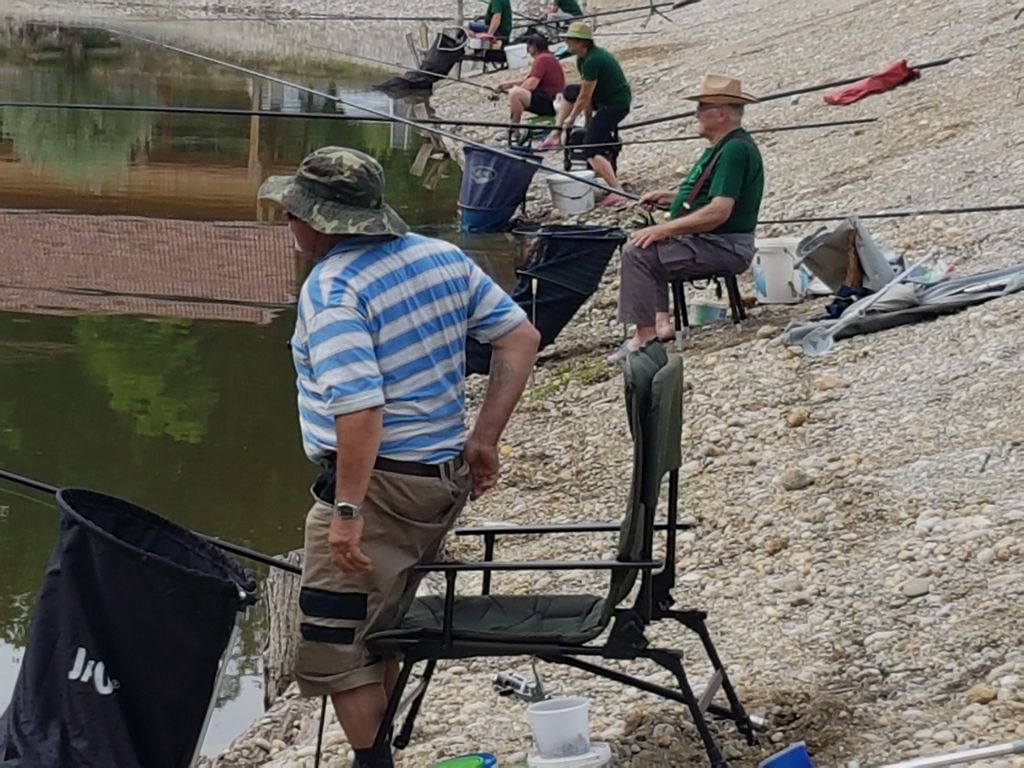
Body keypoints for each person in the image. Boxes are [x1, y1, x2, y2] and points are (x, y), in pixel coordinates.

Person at [257, 147, 540, 768]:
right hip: (439, 484)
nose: (288, 222)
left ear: (320, 221)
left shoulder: (333, 288)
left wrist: (347, 511)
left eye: (292, 212)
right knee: (378, 628)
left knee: (335, 645)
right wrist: (484, 437)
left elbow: (359, 409)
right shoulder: (440, 256)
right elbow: (520, 337)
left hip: (380, 491)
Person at [610, 74, 763, 362]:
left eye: (702, 107)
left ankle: (644, 338)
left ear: (720, 113)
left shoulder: (734, 150)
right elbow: (711, 194)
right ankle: (660, 323)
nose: (696, 114)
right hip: (714, 241)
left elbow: (719, 211)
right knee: (646, 243)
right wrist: (672, 198)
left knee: (638, 252)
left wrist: (665, 229)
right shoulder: (726, 147)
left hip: (725, 246)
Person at [539, 22, 631, 204]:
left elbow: (585, 96)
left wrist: (572, 118)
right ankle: (556, 133)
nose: (567, 43)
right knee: (569, 92)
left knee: (590, 148)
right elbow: (585, 93)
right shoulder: (582, 59)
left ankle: (616, 190)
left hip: (615, 104)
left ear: (582, 42)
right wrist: (588, 120)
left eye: (570, 40)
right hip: (601, 98)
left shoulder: (593, 60)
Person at [496, 34, 566, 124]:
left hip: (550, 102)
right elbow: (528, 80)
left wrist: (513, 95)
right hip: (551, 99)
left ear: (534, 47)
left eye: (529, 46)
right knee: (515, 92)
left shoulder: (542, 59)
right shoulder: (547, 57)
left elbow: (531, 85)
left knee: (515, 94)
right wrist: (505, 85)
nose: (528, 49)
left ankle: (514, 127)